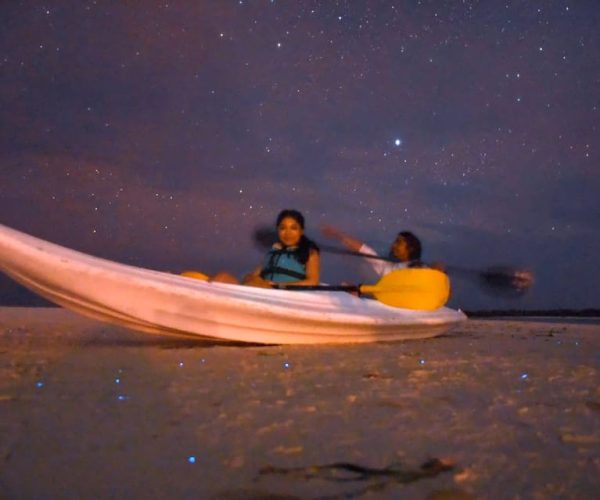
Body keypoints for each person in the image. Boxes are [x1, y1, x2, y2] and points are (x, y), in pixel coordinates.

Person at [212, 209, 320, 288]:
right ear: (278, 230)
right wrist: (249, 277)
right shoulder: (274, 252)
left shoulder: (309, 252)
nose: (288, 233)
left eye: (293, 228)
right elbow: (253, 275)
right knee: (222, 277)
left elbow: (313, 281)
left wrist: (280, 284)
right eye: (283, 228)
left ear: (301, 231)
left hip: (282, 294)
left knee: (255, 284)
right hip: (261, 289)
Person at [320, 224, 430, 277]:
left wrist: (439, 270)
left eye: (398, 242)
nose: (393, 246)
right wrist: (337, 235)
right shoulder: (386, 266)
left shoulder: (421, 269)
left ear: (410, 248)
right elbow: (363, 250)